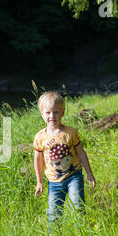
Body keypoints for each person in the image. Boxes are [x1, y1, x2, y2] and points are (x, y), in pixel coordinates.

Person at [33, 91, 96, 225]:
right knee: (54, 215)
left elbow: (81, 153)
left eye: (56, 112)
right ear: (42, 114)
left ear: (63, 112)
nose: (52, 116)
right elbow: (37, 160)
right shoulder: (40, 137)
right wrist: (39, 181)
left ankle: (81, 233)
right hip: (54, 182)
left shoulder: (70, 132)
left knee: (78, 207)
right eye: (48, 112)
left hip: (74, 176)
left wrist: (89, 173)